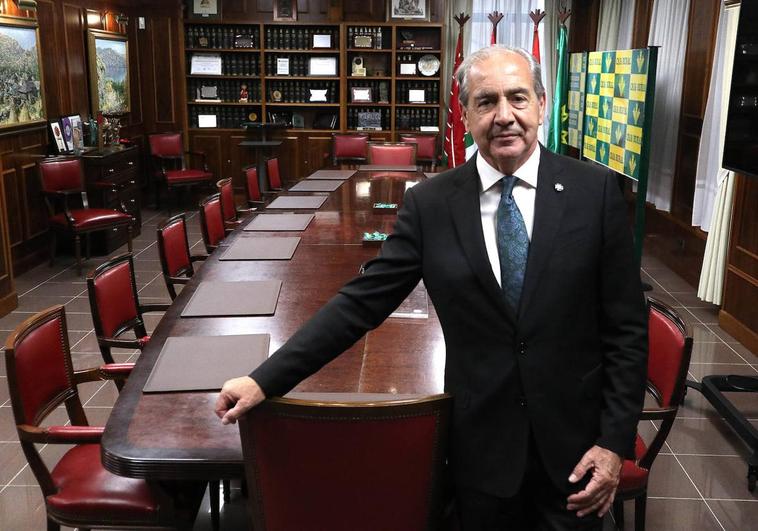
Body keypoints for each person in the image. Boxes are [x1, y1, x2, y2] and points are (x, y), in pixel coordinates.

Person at [215, 45, 647, 530]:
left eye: (519, 98)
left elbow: (626, 331)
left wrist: (613, 443)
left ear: (542, 105)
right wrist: (264, 379)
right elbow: (361, 304)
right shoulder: (432, 204)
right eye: (486, 102)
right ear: (464, 114)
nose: (505, 116)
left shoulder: (595, 193)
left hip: (576, 453)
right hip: (481, 452)